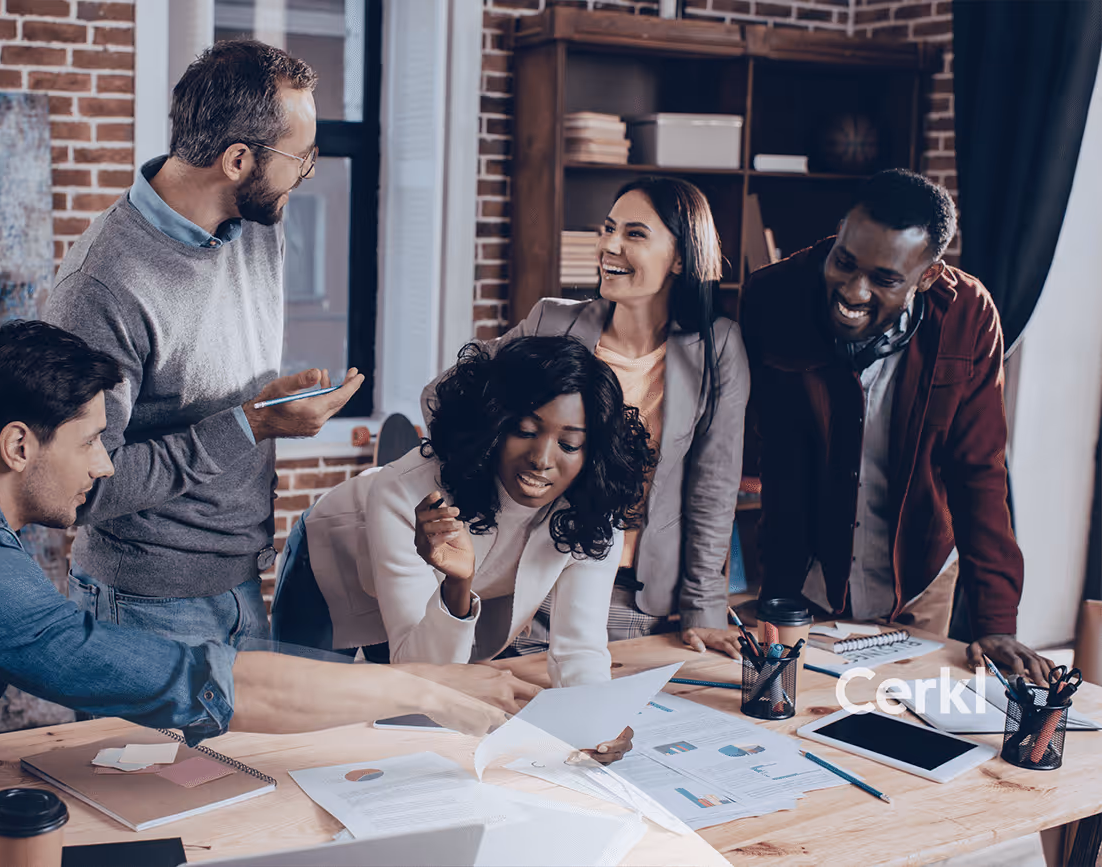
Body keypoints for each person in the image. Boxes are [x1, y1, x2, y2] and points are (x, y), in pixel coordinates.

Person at [0, 322, 538, 867]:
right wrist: (426, 688)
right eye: (91, 441)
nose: (107, 466)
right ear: (20, 445)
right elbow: (197, 680)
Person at [43, 39, 361, 648]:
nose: (305, 172)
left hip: (243, 585)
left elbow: (214, 395)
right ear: (238, 159)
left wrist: (265, 408)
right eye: (301, 157)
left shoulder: (256, 229)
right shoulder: (102, 286)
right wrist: (253, 426)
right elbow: (76, 488)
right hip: (144, 607)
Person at [272, 337, 657, 760]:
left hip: (425, 595)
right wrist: (457, 584)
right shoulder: (405, 491)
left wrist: (593, 719)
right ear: (494, 424)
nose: (542, 460)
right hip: (330, 562)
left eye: (569, 445)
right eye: (524, 431)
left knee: (408, 725)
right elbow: (416, 672)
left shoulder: (593, 509)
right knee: (300, 715)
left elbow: (579, 647)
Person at [740, 168, 1054, 684]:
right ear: (840, 233)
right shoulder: (772, 298)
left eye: (885, 279)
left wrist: (996, 622)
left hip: (920, 578)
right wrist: (775, 588)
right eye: (844, 261)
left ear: (927, 276)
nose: (853, 290)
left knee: (903, 728)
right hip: (806, 577)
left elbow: (979, 471)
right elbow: (775, 453)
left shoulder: (969, 316)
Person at [422, 177, 750, 658]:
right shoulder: (552, 322)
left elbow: (713, 490)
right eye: (608, 228)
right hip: (525, 582)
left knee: (605, 721)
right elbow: (443, 397)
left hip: (631, 599)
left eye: (635, 234)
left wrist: (704, 608)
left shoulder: (717, 347)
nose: (609, 246)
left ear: (681, 257)